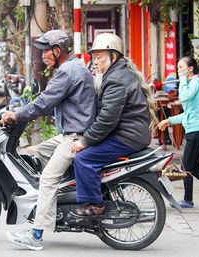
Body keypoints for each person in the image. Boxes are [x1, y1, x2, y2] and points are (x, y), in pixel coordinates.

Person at [2, 29, 97, 250]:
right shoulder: (74, 67)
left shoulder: (67, 71)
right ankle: (60, 197)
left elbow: (45, 101)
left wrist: (17, 114)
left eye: (46, 51)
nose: (43, 56)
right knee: (41, 150)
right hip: (71, 133)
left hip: (76, 136)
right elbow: (49, 101)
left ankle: (36, 235)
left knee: (47, 180)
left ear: (58, 50)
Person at [70, 33, 158, 215]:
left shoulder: (116, 79)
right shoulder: (119, 73)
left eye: (99, 57)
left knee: (84, 158)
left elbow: (107, 119)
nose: (95, 62)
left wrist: (85, 141)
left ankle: (94, 205)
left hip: (126, 136)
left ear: (113, 56)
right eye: (93, 57)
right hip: (130, 133)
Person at [158, 56, 199, 208]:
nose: (179, 71)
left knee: (187, 167)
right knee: (192, 167)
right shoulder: (193, 84)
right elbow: (188, 112)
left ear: (190, 69)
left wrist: (183, 79)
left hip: (197, 131)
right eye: (178, 68)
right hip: (196, 130)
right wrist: (169, 120)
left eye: (181, 67)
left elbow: (184, 96)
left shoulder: (195, 84)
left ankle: (194, 198)